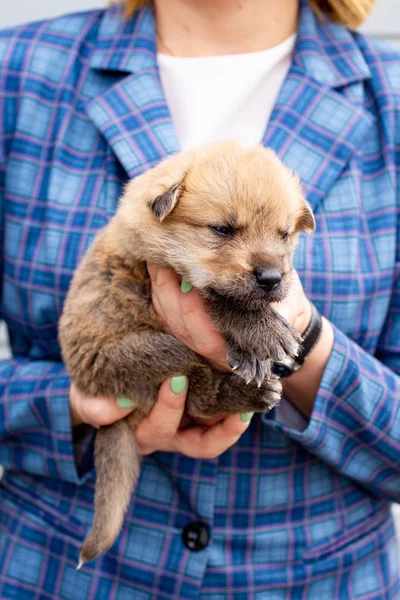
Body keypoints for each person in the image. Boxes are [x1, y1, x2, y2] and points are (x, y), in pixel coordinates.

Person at [0, 0, 399, 597]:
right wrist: (76, 409)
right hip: (61, 575)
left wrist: (306, 349)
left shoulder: (389, 93)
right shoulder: (19, 72)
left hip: (316, 581)